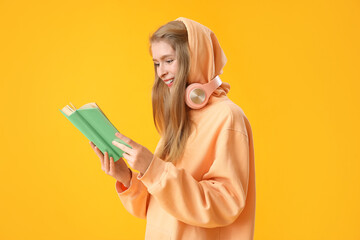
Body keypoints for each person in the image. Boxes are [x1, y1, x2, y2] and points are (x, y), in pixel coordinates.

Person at [89, 17, 256, 240]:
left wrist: (153, 168)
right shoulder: (181, 118)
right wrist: (128, 178)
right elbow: (160, 205)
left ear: (195, 59)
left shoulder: (228, 117)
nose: (161, 72)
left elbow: (226, 204)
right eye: (157, 63)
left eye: (169, 60)